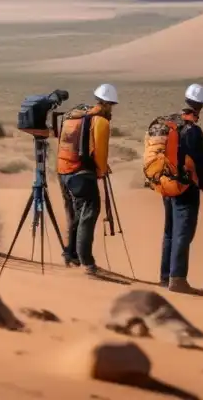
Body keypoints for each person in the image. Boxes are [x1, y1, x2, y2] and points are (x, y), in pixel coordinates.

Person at [56, 82, 116, 275]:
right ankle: (86, 262)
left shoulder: (75, 115)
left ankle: (70, 255)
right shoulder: (100, 121)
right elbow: (100, 153)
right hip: (82, 174)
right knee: (88, 214)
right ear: (107, 104)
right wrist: (101, 170)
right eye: (112, 105)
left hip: (63, 171)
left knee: (74, 215)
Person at [159, 82, 203, 295]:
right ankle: (178, 278)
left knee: (170, 231)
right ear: (200, 107)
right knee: (183, 232)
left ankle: (165, 276)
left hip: (166, 185)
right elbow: (196, 162)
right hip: (184, 187)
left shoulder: (170, 123)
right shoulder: (193, 130)